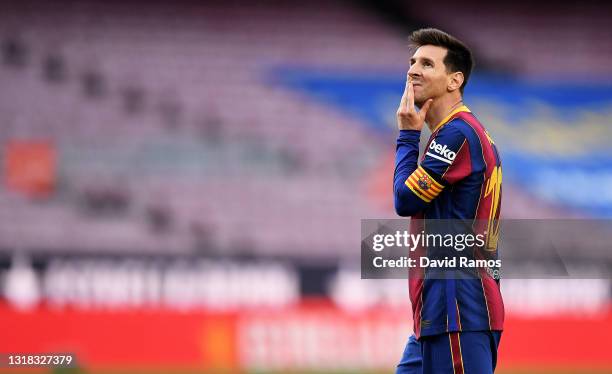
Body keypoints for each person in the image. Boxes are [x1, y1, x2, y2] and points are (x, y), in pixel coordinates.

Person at [393, 28, 504, 373]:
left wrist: (408, 135)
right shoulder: (457, 132)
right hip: (439, 311)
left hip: (458, 308)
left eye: (427, 63)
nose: (413, 69)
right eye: (412, 62)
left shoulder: (459, 133)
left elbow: (405, 199)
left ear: (454, 80)